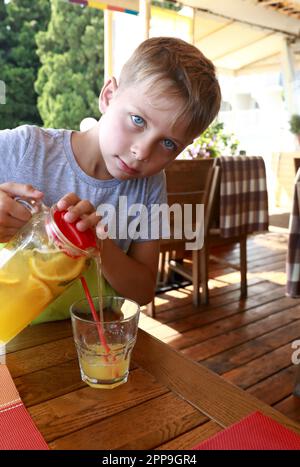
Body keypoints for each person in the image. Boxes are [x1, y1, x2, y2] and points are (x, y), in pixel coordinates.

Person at [0, 36, 221, 322]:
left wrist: (98, 243)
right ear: (108, 96)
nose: (142, 152)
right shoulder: (26, 148)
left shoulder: (149, 185)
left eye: (168, 144)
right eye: (138, 120)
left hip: (84, 338)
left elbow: (142, 292)